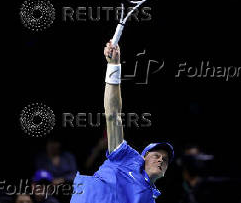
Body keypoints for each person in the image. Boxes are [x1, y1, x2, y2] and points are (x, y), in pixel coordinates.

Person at [70, 41, 174, 203]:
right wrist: (114, 65)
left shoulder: (149, 200)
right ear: (143, 157)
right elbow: (113, 115)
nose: (161, 160)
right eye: (156, 155)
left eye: (165, 160)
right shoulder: (127, 157)